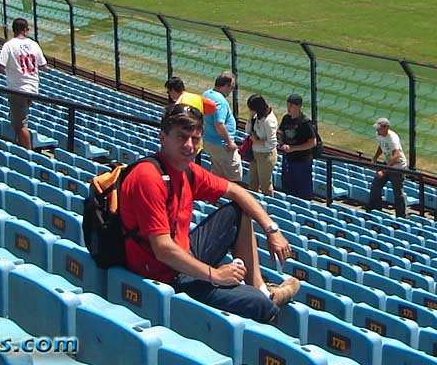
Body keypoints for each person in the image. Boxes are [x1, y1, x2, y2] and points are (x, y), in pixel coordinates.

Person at [118, 102, 301, 323]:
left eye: (195, 139)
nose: (189, 145)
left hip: (183, 251)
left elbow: (235, 191)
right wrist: (216, 275)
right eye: (181, 137)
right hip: (163, 274)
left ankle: (260, 287)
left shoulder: (187, 171)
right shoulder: (149, 177)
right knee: (260, 305)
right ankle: (266, 298)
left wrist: (272, 230)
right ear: (163, 138)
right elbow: (163, 250)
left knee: (238, 210)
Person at [0, 18, 47, 149]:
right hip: (33, 88)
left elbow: (0, 67)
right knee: (21, 121)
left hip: (17, 89)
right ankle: (23, 147)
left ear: (13, 30)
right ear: (25, 30)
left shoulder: (9, 45)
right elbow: (43, 66)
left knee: (20, 125)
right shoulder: (34, 44)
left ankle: (27, 153)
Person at [202, 72, 243, 182]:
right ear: (226, 85)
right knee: (234, 178)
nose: (232, 90)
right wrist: (229, 142)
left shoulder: (206, 94)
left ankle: (218, 198)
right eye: (232, 87)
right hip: (221, 145)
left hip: (209, 141)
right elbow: (219, 124)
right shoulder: (220, 101)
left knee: (218, 175)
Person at [365, 118, 408, 217]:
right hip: (388, 164)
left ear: (386, 127)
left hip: (398, 167)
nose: (377, 131)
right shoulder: (379, 135)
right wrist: (375, 158)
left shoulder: (393, 138)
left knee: (398, 193)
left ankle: (401, 216)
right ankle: (374, 210)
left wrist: (384, 171)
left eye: (379, 129)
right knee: (376, 186)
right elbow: (381, 146)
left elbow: (395, 157)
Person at [277, 94, 317, 200]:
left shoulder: (305, 122)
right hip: (288, 159)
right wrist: (280, 142)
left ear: (298, 106)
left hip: (302, 161)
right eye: (288, 105)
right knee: (288, 188)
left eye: (291, 105)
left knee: (302, 191)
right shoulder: (286, 118)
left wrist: (293, 148)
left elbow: (312, 142)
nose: (288, 108)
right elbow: (281, 132)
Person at [246, 94, 279, 196]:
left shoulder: (269, 121)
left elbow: (272, 143)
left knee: (265, 185)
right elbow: (247, 130)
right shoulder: (256, 117)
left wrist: (256, 141)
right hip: (255, 153)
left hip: (266, 156)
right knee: (252, 183)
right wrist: (250, 118)